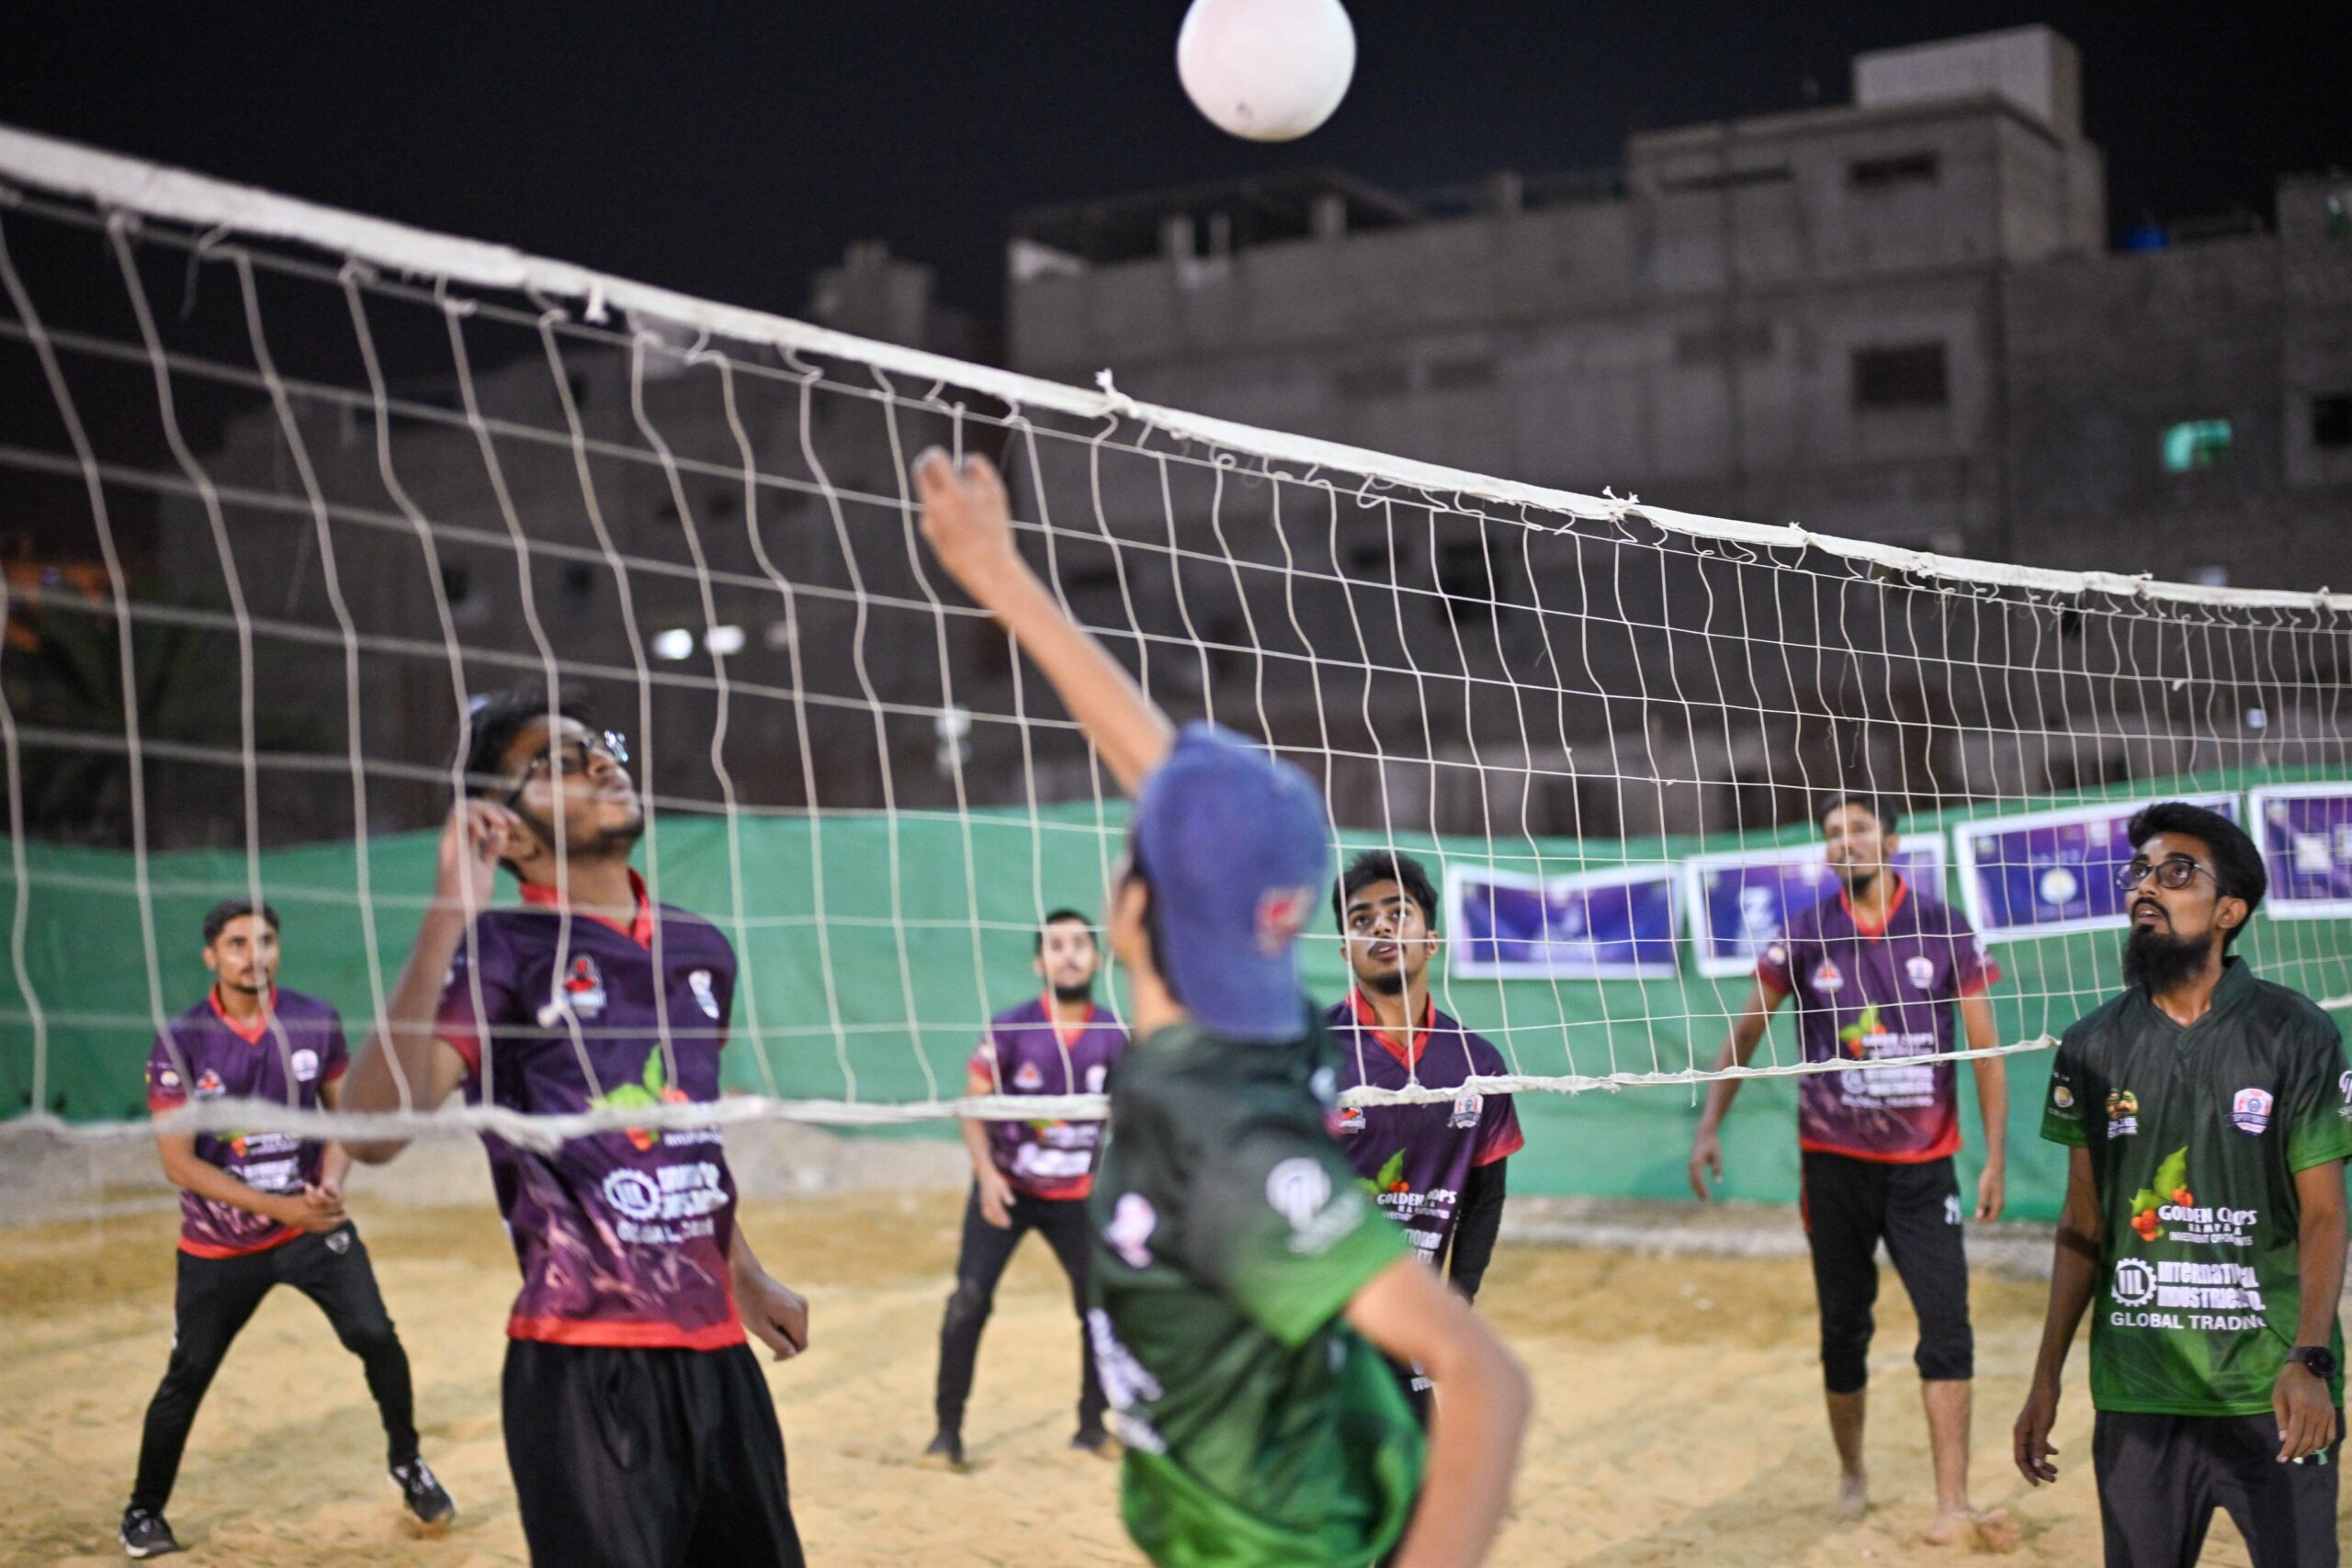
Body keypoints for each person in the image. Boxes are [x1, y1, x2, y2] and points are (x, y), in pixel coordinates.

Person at [912, 446, 1530, 1568]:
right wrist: (1001, 581)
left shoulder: (1227, 1142)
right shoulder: (1271, 1024)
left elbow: (1486, 1379)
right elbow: (1179, 793)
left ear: (1131, 911)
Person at [340, 693, 810, 1568]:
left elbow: (683, 1142)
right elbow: (371, 1131)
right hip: (585, 1363)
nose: (600, 762)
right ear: (511, 834)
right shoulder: (502, 952)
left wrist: (743, 1274)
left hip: (718, 1358)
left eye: (599, 747)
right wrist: (448, 912)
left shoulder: (700, 948)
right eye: (556, 762)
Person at [2014, 801, 2350, 1567]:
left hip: (2271, 1386)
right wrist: (2045, 1378)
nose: (2146, 886)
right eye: (2140, 871)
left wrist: (2311, 1358)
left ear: (2229, 910)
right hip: (2138, 1390)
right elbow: (2082, 1223)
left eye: (2176, 872)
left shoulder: (2296, 1032)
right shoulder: (2092, 1043)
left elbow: (2326, 1215)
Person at [1686, 793, 2016, 1548]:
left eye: (1859, 828)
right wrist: (1709, 1124)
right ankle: (1853, 1472)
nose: (1845, 841)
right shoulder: (1806, 932)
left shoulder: (1942, 926)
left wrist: (1996, 1157)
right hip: (1833, 1166)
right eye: (1833, 832)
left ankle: (1953, 1501)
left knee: (1948, 1325)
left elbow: (1986, 1052)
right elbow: (1747, 1030)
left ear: (1891, 842)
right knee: (1844, 1328)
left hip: (1923, 1169)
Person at [119, 900, 452, 1561]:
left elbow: (344, 1120)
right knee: (189, 1373)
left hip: (309, 1226)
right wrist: (281, 1209)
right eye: (237, 943)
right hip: (220, 1244)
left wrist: (330, 1181)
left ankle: (408, 1462)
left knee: (377, 1336)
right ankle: (143, 1510)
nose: (255, 955)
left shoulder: (313, 1019)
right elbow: (178, 1163)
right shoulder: (183, 1040)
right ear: (211, 956)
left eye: (266, 940)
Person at [925, 908, 1129, 1466]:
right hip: (1008, 1191)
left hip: (1078, 1197)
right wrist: (987, 1177)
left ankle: (1092, 1426)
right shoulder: (1013, 1027)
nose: (1069, 955)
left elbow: (1134, 1117)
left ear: (1097, 957)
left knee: (1100, 1310)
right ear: (1040, 962)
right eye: (1055, 945)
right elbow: (972, 1104)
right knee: (968, 1301)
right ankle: (946, 1435)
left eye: (1079, 944)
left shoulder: (1114, 1035)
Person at [1326, 849, 1522, 1416]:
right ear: (1345, 951)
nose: (1381, 927)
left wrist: (1458, 1298)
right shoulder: (1310, 1053)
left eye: (1398, 913)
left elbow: (1485, 1198)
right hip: (1318, 1316)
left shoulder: (1477, 1064)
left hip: (1409, 1316)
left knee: (1423, 1464)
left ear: (1430, 941)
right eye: (1362, 920)